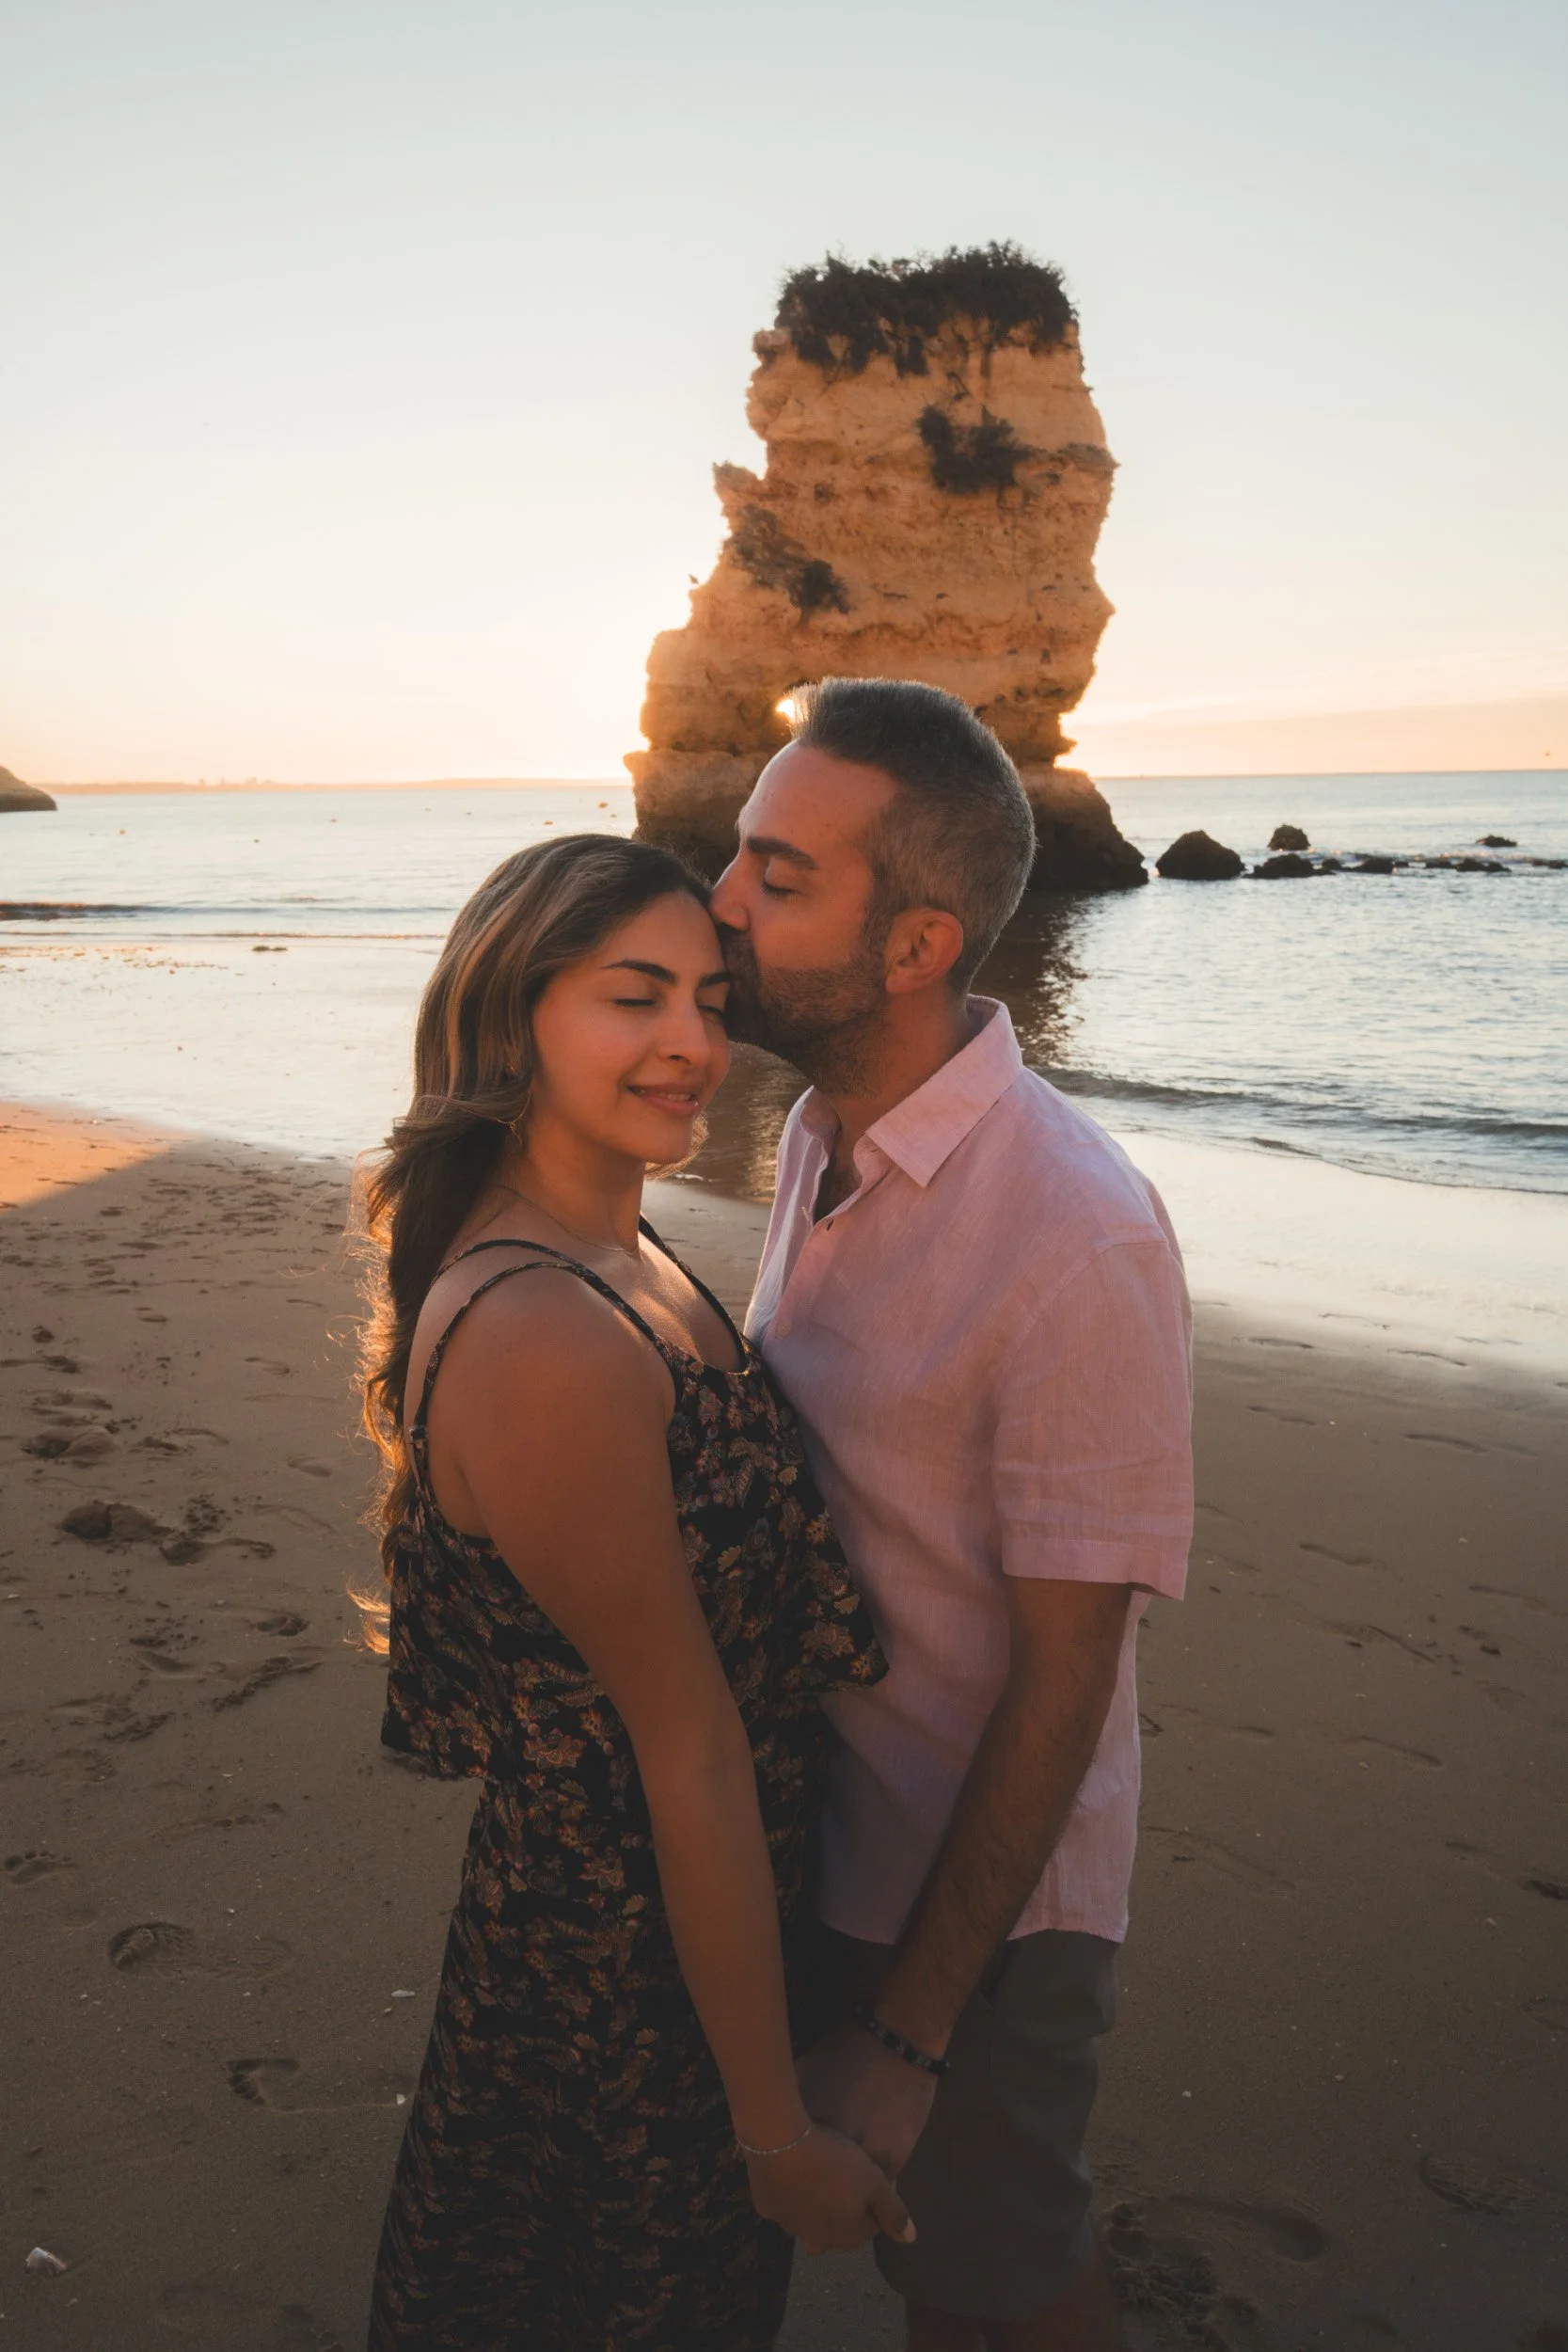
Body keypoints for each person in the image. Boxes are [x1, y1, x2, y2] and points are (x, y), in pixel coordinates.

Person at [359, 834, 908, 2352]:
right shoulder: (547, 1332)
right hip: (621, 1985)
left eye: (712, 999)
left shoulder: (620, 1246)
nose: (692, 1043)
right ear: (511, 1013)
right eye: (633, 995)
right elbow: (687, 1744)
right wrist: (772, 2129)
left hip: (679, 1926)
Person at [709, 679, 1195, 2352]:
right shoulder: (815, 1131)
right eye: (736, 862)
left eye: (777, 878)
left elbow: (1067, 1685)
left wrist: (915, 2032)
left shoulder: (1075, 1237)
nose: (718, 904)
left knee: (991, 2287)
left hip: (975, 1907)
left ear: (912, 947)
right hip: (821, 1841)